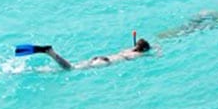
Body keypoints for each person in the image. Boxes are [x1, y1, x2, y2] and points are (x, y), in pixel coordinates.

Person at [20, 37, 153, 71]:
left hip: (101, 57)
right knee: (70, 69)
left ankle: (51, 53)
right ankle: (50, 52)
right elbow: (154, 54)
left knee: (74, 66)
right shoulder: (138, 55)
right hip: (104, 62)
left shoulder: (128, 50)